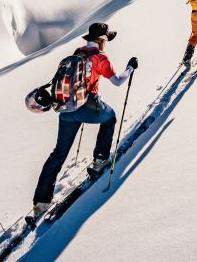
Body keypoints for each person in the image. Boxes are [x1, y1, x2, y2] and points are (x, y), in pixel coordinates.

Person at [32, 22, 137, 215]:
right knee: (110, 118)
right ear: (102, 40)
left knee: (58, 153)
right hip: (87, 106)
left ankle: (41, 201)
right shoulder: (101, 57)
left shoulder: (77, 52)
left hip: (66, 109)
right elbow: (117, 82)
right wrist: (130, 68)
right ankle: (100, 159)